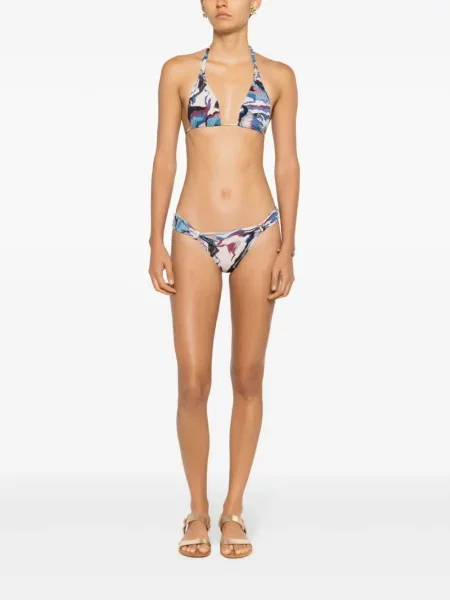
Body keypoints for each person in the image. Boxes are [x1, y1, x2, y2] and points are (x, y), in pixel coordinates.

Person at [148, 0, 300, 559]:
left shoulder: (279, 77)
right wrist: (154, 239)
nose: (222, 1)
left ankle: (233, 508)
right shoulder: (177, 71)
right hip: (192, 232)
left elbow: (287, 163)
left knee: (248, 375)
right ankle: (197, 507)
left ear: (256, 2)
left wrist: (288, 245)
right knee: (192, 380)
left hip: (259, 231)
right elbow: (165, 157)